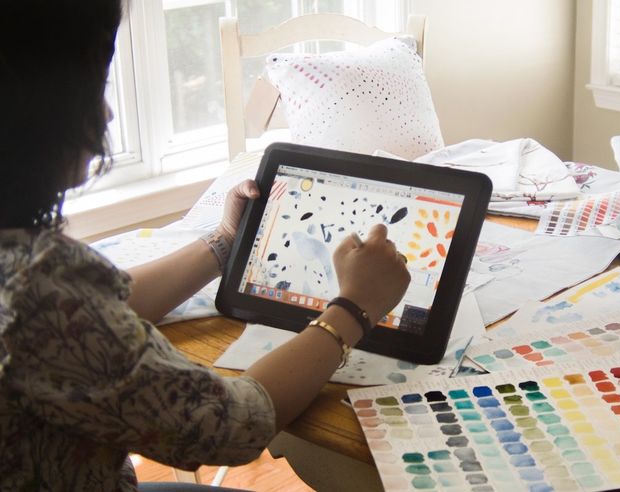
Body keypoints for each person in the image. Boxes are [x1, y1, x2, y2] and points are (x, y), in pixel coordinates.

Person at [0, 1, 410, 490]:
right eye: (92, 91)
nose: (105, 113)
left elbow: (86, 315)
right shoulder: (37, 287)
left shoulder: (34, 282)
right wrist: (354, 308)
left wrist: (223, 244)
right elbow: (231, 426)